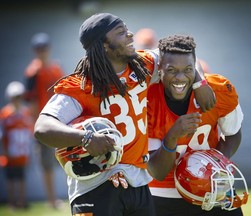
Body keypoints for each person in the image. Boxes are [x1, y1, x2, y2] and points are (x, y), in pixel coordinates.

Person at [33, 13, 215, 215]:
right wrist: (86, 137)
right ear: (104, 45)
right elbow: (42, 128)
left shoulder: (143, 65)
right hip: (96, 187)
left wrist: (200, 82)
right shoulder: (81, 86)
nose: (130, 34)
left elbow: (182, 54)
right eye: (121, 32)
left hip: (138, 183)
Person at [147, 35, 244, 215]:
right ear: (159, 68)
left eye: (188, 69)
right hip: (163, 195)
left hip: (213, 187)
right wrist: (172, 136)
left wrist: (216, 164)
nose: (180, 77)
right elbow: (157, 171)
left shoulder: (219, 90)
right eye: (172, 70)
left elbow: (233, 133)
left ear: (196, 68)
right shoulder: (147, 99)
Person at [24, 32, 65, 209]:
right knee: (47, 166)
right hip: (44, 124)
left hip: (60, 121)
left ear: (48, 48)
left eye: (44, 47)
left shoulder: (56, 69)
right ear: (35, 51)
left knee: (68, 160)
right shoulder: (32, 72)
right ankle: (52, 200)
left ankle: (68, 195)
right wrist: (36, 127)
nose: (42, 51)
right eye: (38, 49)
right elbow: (31, 103)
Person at [0, 81, 34, 209]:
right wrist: (3, 150)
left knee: (22, 177)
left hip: (23, 152)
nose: (17, 99)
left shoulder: (26, 113)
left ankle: (22, 201)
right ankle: (12, 203)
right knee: (10, 178)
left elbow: (30, 132)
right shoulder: (5, 114)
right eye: (15, 97)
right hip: (10, 152)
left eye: (19, 96)